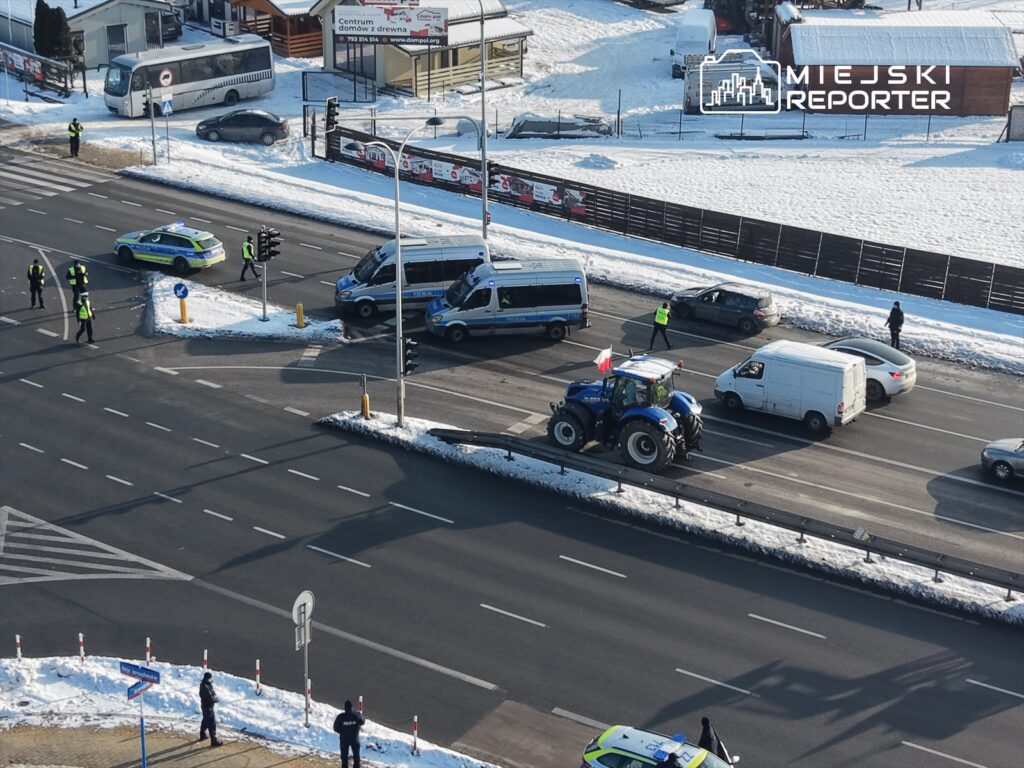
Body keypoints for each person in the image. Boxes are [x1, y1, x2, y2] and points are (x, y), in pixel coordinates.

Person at [333, 699, 365, 768]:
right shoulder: (357, 715)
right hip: (355, 739)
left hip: (344, 740)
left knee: (344, 758)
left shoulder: (341, 717)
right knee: (356, 757)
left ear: (345, 708)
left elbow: (335, 728)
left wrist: (342, 732)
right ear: (352, 707)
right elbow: (363, 721)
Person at [198, 671, 223, 747]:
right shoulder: (205, 686)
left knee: (205, 720)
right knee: (212, 724)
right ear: (208, 678)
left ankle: (203, 734)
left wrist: (214, 696)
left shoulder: (206, 684)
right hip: (208, 707)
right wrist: (216, 699)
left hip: (206, 706)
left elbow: (213, 693)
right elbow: (211, 697)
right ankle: (214, 740)